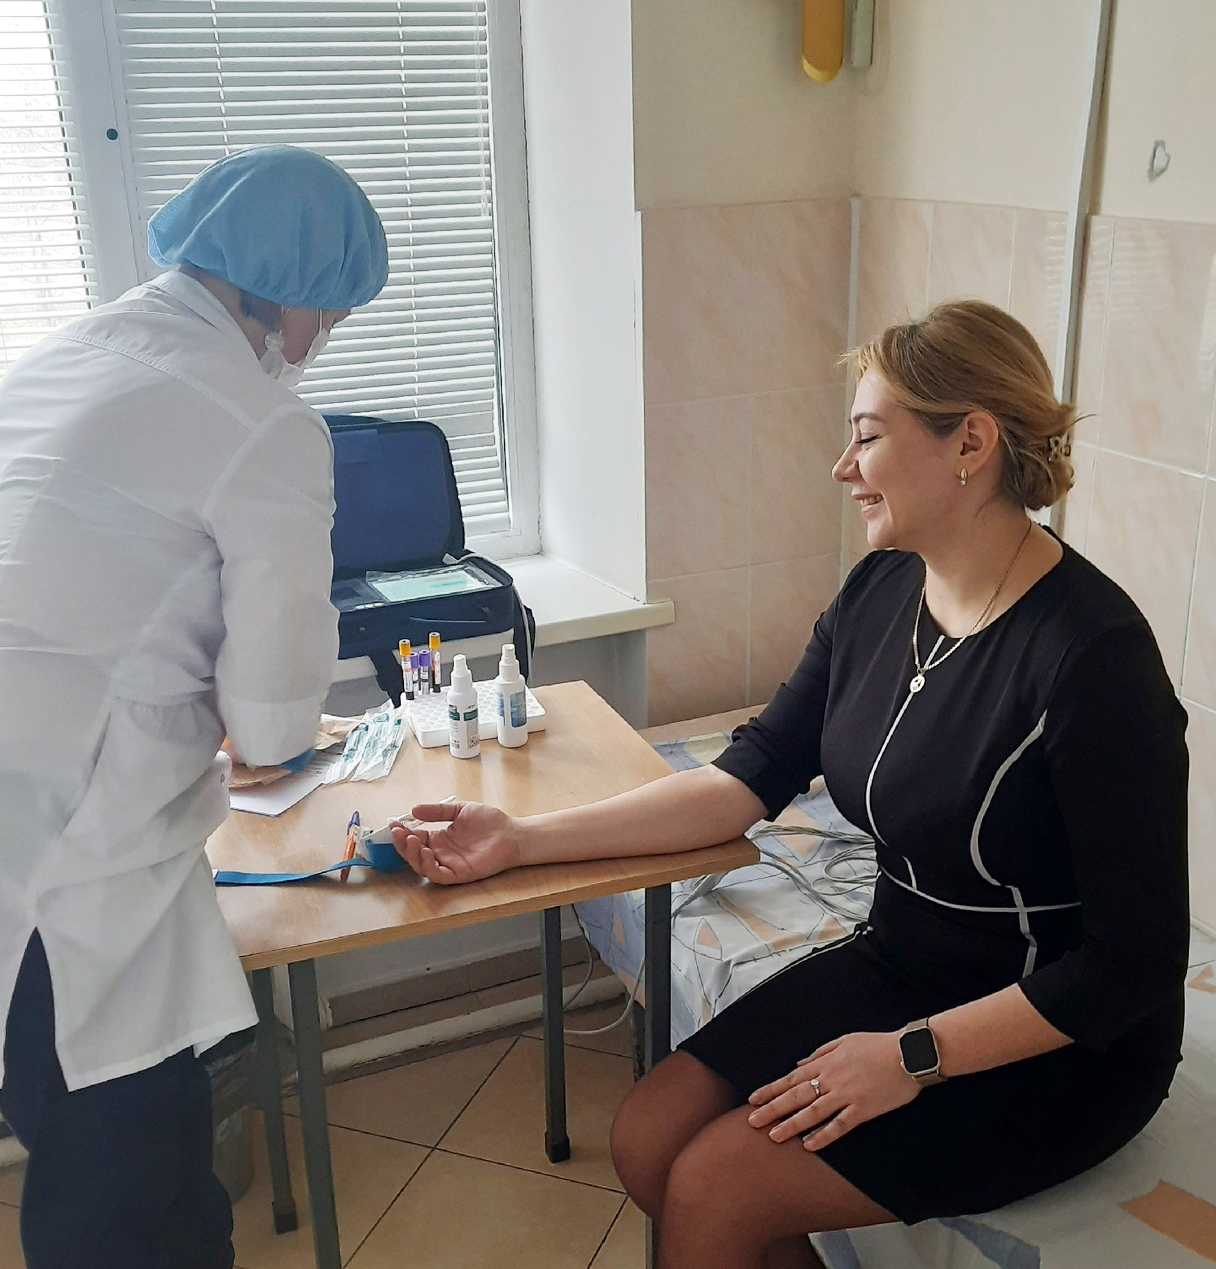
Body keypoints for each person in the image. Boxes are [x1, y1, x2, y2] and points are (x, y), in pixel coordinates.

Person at [389, 301, 1190, 1269]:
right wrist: (520, 837)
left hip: (1056, 1038)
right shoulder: (879, 592)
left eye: (868, 437)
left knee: (716, 1186)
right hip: (904, 964)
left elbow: (1133, 966)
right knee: (648, 1137)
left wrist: (911, 1056)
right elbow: (746, 776)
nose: (843, 468)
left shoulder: (1092, 657)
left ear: (970, 444)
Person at [0, 145, 388, 1268]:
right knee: (122, 1185)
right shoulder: (261, 421)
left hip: (32, 803)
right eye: (332, 315)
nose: (320, 343)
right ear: (289, 292)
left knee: (86, 1128)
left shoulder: (64, 355)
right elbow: (272, 718)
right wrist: (265, 734)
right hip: (68, 848)